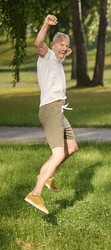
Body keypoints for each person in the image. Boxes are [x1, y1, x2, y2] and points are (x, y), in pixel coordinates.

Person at [24, 14, 78, 215]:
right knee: (58, 153)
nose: (64, 47)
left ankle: (48, 175)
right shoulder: (46, 56)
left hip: (59, 111)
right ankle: (36, 192)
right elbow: (38, 44)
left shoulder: (56, 61)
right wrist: (45, 24)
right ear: (53, 45)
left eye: (67, 45)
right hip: (50, 110)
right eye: (61, 44)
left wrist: (63, 55)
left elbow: (61, 56)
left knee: (71, 147)